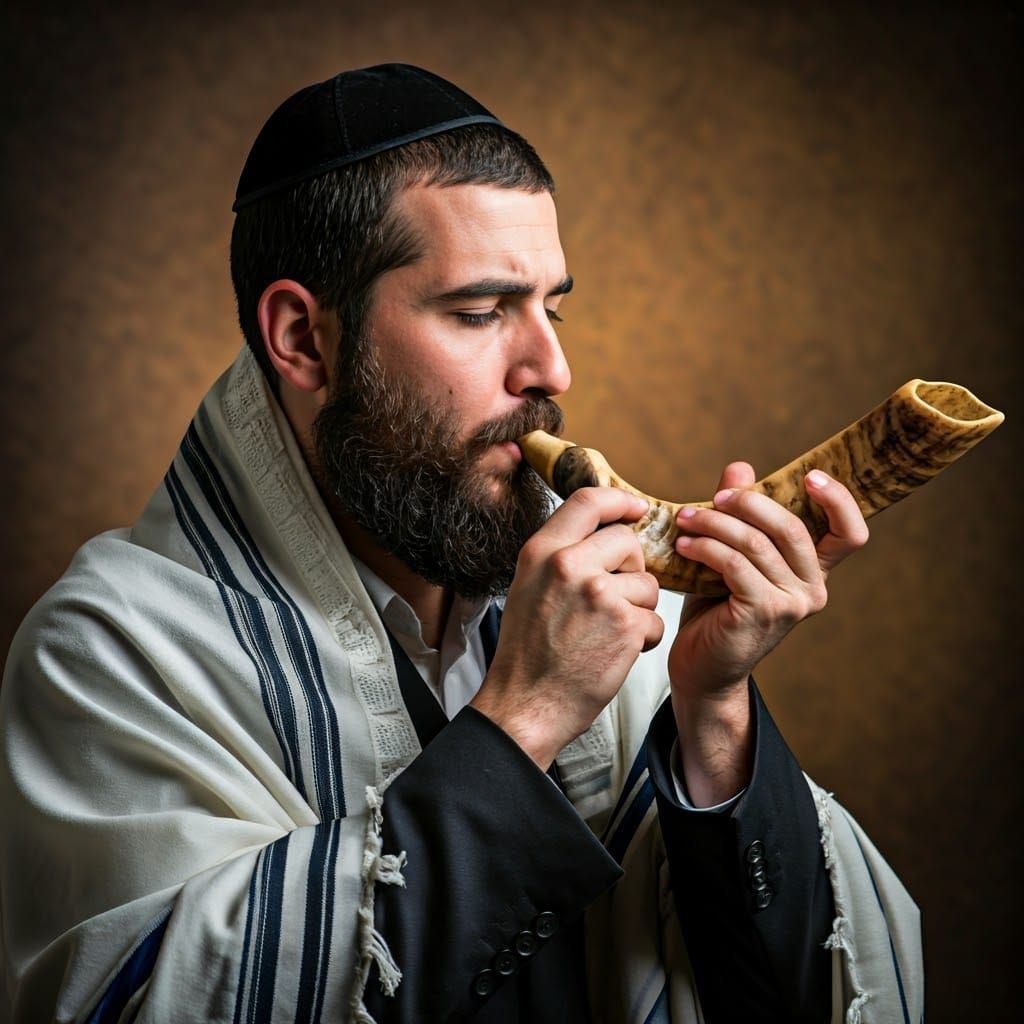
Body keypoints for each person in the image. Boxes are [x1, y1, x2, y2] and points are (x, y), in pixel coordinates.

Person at [0, 64, 922, 1023]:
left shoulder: (616, 618)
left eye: (551, 308)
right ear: (303, 340)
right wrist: (525, 716)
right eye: (481, 313)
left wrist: (713, 708)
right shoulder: (108, 650)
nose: (551, 368)